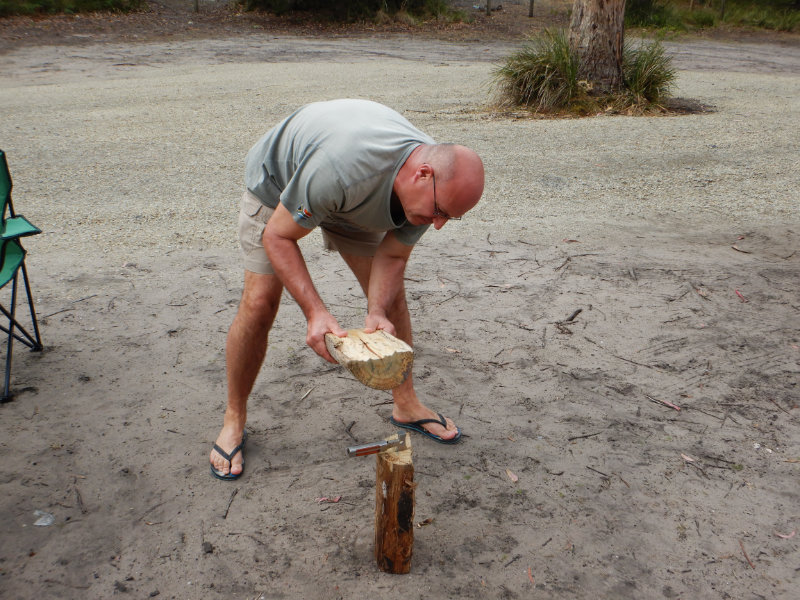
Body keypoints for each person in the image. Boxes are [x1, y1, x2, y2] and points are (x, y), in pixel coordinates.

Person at [210, 99, 485, 480]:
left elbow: (392, 258)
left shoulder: (435, 189)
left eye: (448, 218)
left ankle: (406, 404)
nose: (437, 225)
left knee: (392, 302)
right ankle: (233, 417)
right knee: (259, 303)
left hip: (356, 199)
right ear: (421, 175)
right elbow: (279, 236)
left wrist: (376, 312)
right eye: (438, 213)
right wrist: (316, 313)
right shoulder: (343, 169)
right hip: (280, 185)